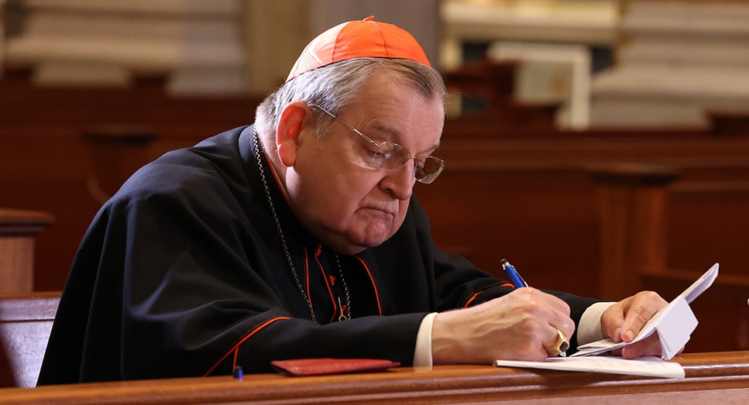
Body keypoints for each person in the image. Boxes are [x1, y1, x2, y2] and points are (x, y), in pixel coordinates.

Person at [37, 17, 672, 385]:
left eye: (420, 163)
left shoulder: (375, 207)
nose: (402, 186)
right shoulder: (171, 203)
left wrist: (600, 321)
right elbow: (228, 360)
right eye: (380, 149)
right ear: (293, 133)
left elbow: (455, 292)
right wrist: (438, 340)